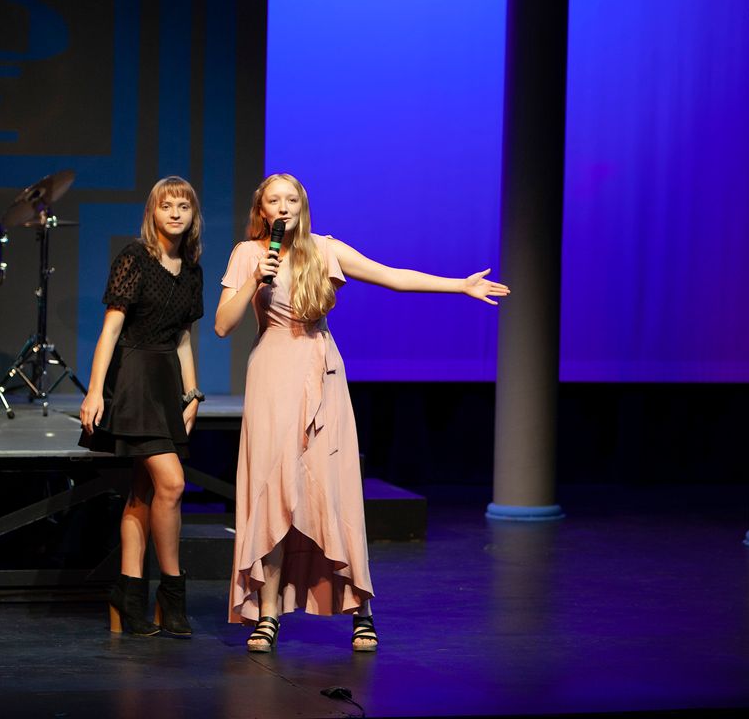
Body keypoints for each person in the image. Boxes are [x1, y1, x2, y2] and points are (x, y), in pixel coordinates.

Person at [215, 173, 509, 652]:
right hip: (271, 375)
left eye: (292, 199)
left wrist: (459, 286)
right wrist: (253, 280)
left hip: (321, 372)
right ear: (262, 210)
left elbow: (393, 277)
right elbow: (222, 326)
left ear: (302, 205)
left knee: (331, 490)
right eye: (274, 200)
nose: (284, 207)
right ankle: (267, 614)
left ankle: (361, 610)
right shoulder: (248, 254)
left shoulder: (325, 249)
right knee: (272, 491)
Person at [79, 176, 206, 637]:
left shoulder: (191, 269)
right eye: (166, 206)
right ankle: (171, 593)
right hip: (133, 379)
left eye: (183, 207)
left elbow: (184, 338)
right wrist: (95, 391)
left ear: (193, 216)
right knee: (172, 483)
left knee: (142, 493)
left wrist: (192, 395)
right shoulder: (134, 258)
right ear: (153, 212)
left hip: (166, 383)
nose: (175, 213)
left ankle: (127, 596)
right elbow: (111, 329)